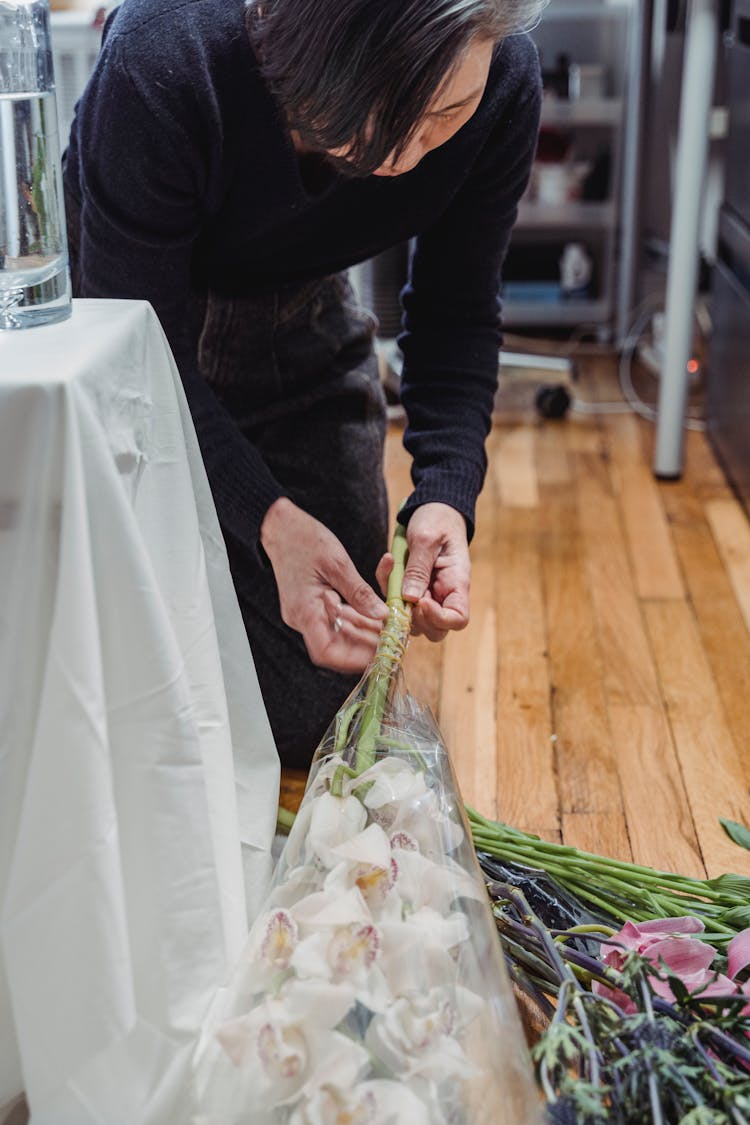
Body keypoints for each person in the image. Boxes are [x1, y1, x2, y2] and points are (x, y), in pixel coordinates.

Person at [63, 0, 544, 768]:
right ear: (306, 64)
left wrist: (447, 490)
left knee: (318, 695)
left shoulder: (503, 77)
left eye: (445, 114)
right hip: (122, 322)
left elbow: (456, 308)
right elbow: (141, 366)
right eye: (382, 122)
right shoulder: (163, 59)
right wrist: (270, 520)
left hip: (297, 304)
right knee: (114, 661)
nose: (411, 157)